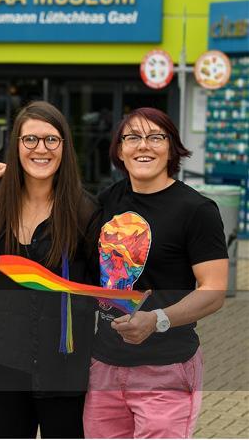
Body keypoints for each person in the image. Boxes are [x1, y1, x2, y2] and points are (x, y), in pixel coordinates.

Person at [83, 107, 228, 438]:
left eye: (155, 137)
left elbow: (214, 290)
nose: (143, 146)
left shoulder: (197, 210)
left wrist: (157, 319)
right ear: (120, 150)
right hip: (104, 366)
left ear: (172, 148)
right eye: (132, 137)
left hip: (166, 369)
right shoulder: (108, 200)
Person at [0, 101, 97, 438]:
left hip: (64, 371)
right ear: (15, 145)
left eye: (51, 140)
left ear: (64, 147)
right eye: (30, 140)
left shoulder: (85, 211)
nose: (40, 149)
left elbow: (105, 284)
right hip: (2, 370)